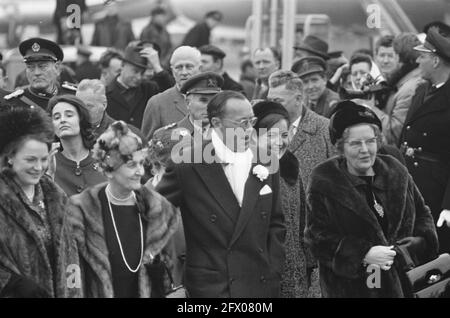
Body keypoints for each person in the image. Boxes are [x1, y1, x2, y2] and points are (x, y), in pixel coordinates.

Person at [153, 91, 286, 297]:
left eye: (252, 122)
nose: (249, 130)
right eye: (242, 123)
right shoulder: (188, 164)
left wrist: (273, 267)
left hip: (259, 284)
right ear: (216, 122)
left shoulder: (265, 160)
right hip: (211, 287)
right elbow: (152, 216)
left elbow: (276, 223)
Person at [305, 100, 439, 298]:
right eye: (355, 143)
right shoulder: (324, 180)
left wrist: (409, 249)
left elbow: (423, 216)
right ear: (340, 147)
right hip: (352, 289)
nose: (365, 149)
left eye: (370, 141)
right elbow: (316, 237)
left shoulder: (395, 171)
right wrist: (362, 254)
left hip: (405, 284)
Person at [67, 121, 180, 297]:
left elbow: (171, 272)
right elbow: (70, 270)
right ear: (109, 170)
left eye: (142, 163)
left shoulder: (158, 208)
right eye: (131, 165)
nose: (140, 172)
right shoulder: (81, 210)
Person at [0, 105, 81, 298]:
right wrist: (13, 285)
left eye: (43, 159)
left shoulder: (56, 197)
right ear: (10, 157)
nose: (38, 167)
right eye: (30, 159)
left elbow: (71, 258)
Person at [253, 100, 320, 298]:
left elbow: (303, 223)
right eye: (270, 135)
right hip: (263, 275)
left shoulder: (291, 167)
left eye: (283, 135)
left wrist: (309, 266)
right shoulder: (248, 172)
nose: (279, 142)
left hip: (296, 271)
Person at [400, 26, 450, 253]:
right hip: (412, 186)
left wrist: (449, 206)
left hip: (436, 193)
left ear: (436, 61)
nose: (418, 61)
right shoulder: (421, 91)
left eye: (422, 56)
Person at [267, 70, 334, 188]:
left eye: (277, 101)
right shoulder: (262, 129)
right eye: (269, 101)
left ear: (298, 99)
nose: (272, 106)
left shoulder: (325, 129)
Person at [369, 33, 424, 146]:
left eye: (391, 55)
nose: (386, 61)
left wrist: (369, 107)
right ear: (375, 57)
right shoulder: (397, 83)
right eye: (382, 55)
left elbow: (395, 133)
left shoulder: (409, 88)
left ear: (399, 57)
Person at [48, 95, 106, 197]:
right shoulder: (49, 162)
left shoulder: (103, 157)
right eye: (56, 117)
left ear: (81, 119)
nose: (62, 120)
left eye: (69, 115)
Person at [141, 46, 202, 140]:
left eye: (189, 67)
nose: (184, 72)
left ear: (200, 69)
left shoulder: (215, 101)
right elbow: (148, 146)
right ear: (172, 71)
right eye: (179, 67)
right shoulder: (157, 104)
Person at [3, 38, 77, 110]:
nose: (36, 73)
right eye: (31, 67)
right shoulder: (14, 103)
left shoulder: (73, 96)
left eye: (43, 67)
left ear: (57, 68)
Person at [106, 41, 161, 129]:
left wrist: (158, 67)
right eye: (135, 71)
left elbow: (173, 94)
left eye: (142, 72)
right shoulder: (106, 93)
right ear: (122, 65)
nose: (139, 77)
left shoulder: (149, 89)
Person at [154, 71, 223, 138]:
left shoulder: (227, 134)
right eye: (203, 100)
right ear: (187, 103)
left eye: (214, 101)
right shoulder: (167, 136)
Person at [76, 79, 143, 141]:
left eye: (89, 106)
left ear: (104, 105)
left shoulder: (128, 134)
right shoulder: (70, 131)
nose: (82, 111)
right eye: (79, 106)